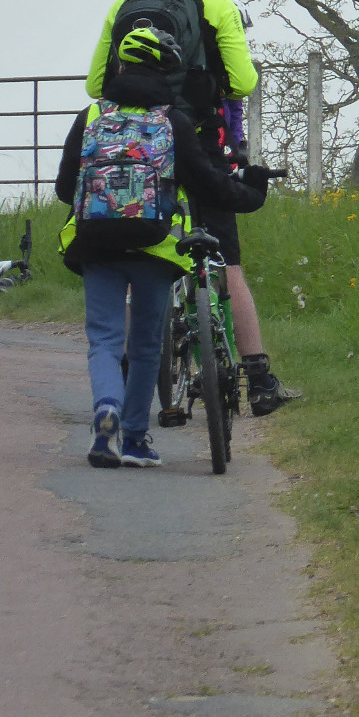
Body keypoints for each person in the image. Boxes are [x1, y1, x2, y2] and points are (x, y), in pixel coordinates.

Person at [88, 0, 300, 416]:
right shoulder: (215, 1)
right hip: (198, 143)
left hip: (138, 148)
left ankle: (129, 375)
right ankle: (260, 380)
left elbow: (96, 85)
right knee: (227, 263)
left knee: (144, 250)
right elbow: (244, 82)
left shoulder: (125, 3)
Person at [57, 27, 270, 467]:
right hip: (153, 245)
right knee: (146, 346)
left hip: (96, 243)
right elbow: (208, 184)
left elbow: (64, 188)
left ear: (119, 67)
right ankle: (135, 439)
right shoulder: (172, 121)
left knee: (105, 339)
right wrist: (253, 192)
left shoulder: (90, 116)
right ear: (168, 73)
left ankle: (107, 410)